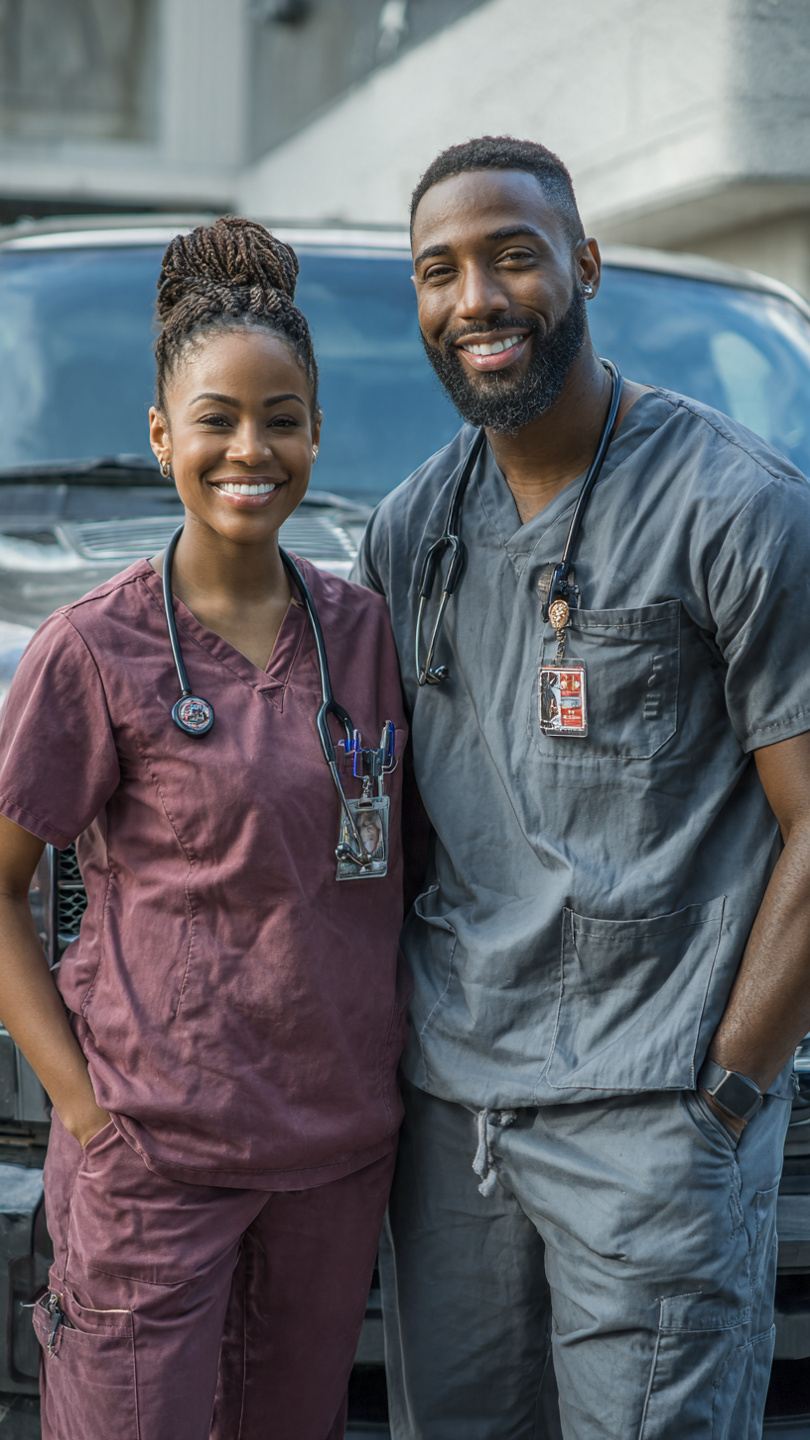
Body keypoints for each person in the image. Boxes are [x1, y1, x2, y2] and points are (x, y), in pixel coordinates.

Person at [353, 135, 810, 1439]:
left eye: (512, 256)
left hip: (651, 1129)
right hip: (454, 1127)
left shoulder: (734, 510)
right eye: (439, 271)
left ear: (584, 265)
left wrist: (721, 1092)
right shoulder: (408, 531)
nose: (476, 299)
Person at [0, 217, 408, 1440]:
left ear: (317, 434)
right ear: (161, 438)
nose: (251, 448)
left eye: (282, 417)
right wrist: (83, 1110)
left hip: (333, 1160)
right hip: (153, 1162)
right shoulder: (90, 651)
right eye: (217, 419)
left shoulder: (372, 640)